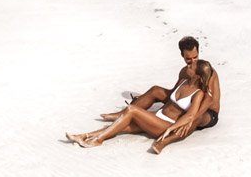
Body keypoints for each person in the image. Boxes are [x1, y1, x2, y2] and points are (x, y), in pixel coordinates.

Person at [65, 36, 220, 154]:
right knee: (128, 119)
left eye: (195, 58)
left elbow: (206, 102)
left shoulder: (206, 73)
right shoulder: (184, 74)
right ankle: (86, 135)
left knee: (193, 117)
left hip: (206, 113)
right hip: (170, 116)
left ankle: (163, 142)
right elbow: (174, 96)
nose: (192, 62)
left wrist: (185, 120)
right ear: (182, 56)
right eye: (188, 60)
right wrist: (156, 113)